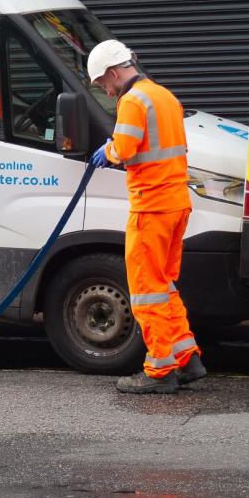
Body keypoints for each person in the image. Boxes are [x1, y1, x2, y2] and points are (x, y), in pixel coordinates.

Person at [87, 40, 206, 394]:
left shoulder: (132, 101)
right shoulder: (164, 96)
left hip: (150, 207)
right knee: (164, 285)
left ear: (113, 72)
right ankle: (187, 358)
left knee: (145, 291)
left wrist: (105, 150)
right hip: (176, 203)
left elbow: (123, 149)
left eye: (101, 84)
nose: (105, 91)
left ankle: (159, 370)